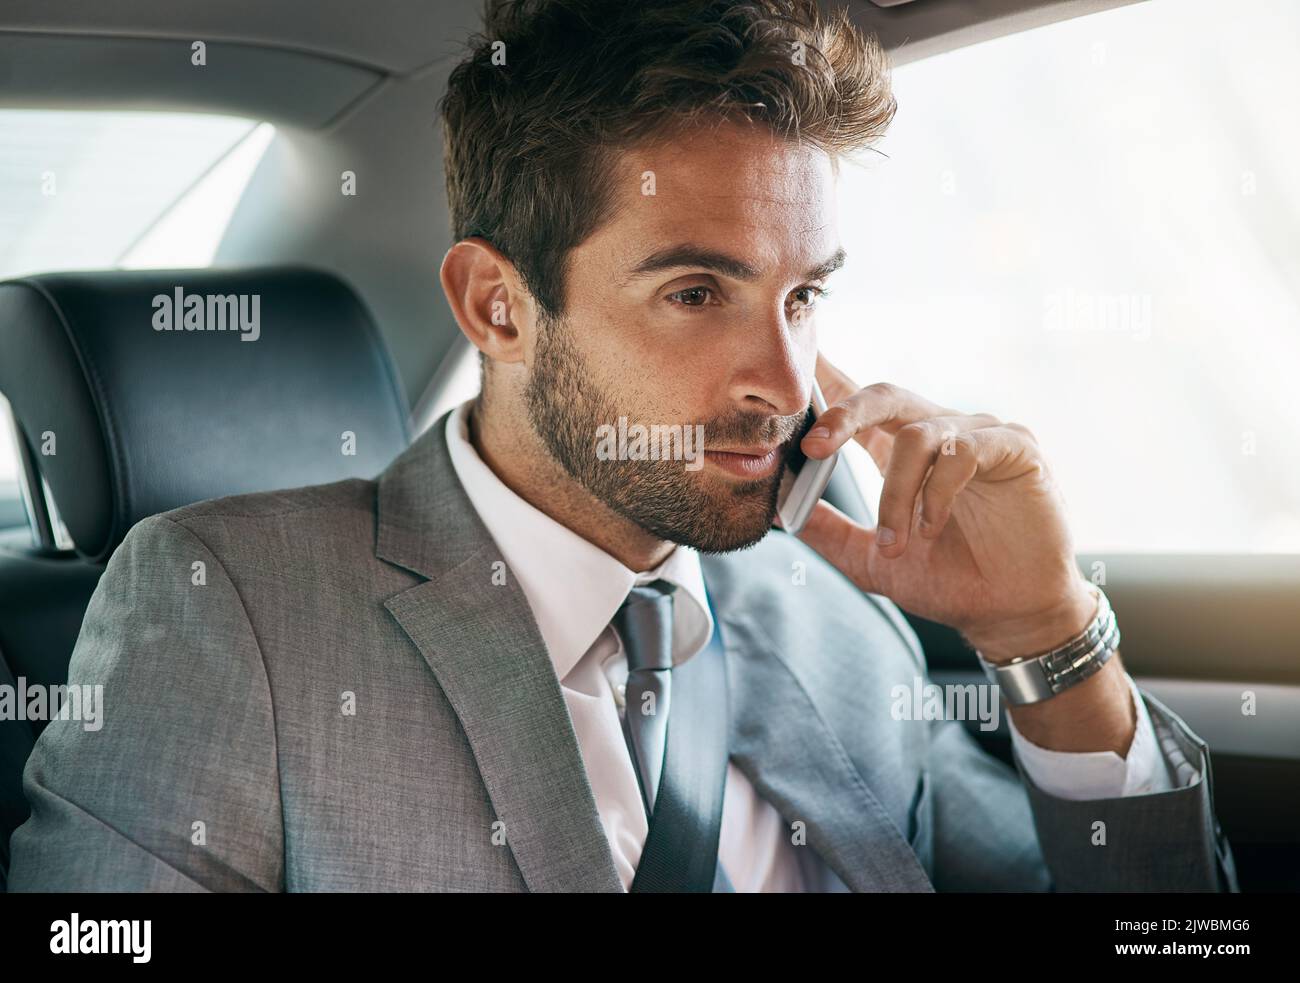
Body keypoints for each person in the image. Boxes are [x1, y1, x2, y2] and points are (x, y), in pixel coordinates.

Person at [8, 0, 1236, 892]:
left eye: (802, 296)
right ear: (498, 306)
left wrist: (1049, 641)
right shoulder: (237, 608)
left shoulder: (826, 614)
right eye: (697, 292)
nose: (785, 381)